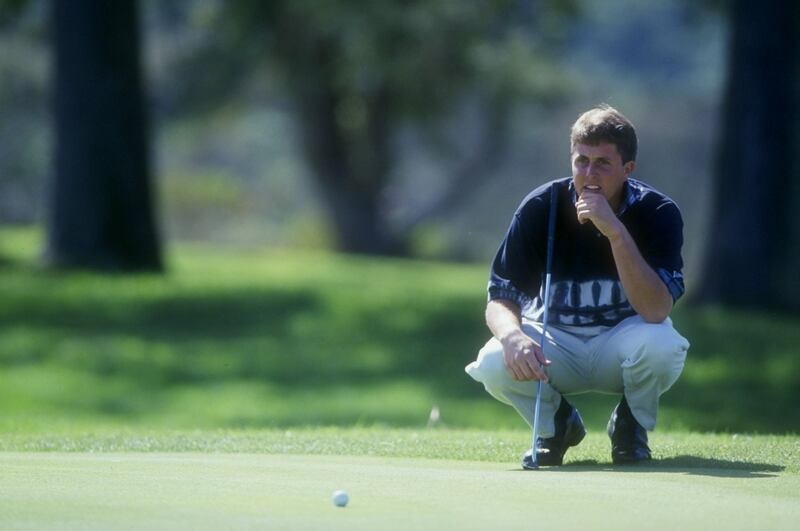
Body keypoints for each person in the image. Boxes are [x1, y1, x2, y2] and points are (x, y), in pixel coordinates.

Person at [465, 105, 690, 468]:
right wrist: (513, 337)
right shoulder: (541, 207)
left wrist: (614, 231)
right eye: (581, 160)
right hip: (556, 343)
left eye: (602, 162)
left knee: (662, 345)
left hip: (622, 340)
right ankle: (556, 427)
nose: (589, 173)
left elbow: (656, 309)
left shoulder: (658, 212)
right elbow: (500, 296)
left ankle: (630, 425)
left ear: (627, 169)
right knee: (493, 360)